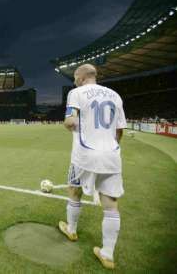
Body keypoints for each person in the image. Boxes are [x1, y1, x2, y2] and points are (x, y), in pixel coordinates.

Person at [58, 64, 127, 270]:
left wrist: (70, 125)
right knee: (111, 204)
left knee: (74, 191)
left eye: (74, 78)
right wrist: (110, 147)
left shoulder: (76, 92)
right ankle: (107, 254)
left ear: (80, 77)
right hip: (112, 155)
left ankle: (71, 229)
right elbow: (120, 129)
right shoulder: (115, 95)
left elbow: (70, 122)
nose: (74, 81)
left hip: (84, 155)